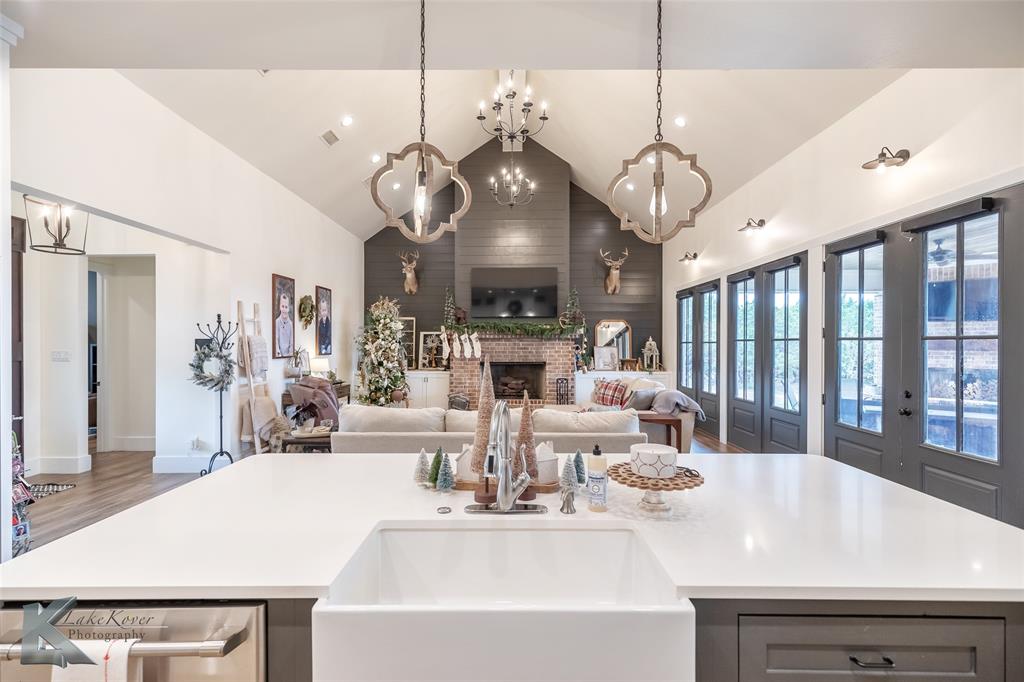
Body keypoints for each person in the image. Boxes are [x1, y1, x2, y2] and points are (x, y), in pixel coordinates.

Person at [276, 292, 293, 357]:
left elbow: (291, 342)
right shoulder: (277, 322)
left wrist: (290, 354)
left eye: (286, 307)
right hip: (279, 355)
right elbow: (276, 340)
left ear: (288, 309)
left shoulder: (291, 324)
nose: (284, 309)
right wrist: (279, 354)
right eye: (282, 306)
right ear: (280, 307)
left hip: (288, 356)